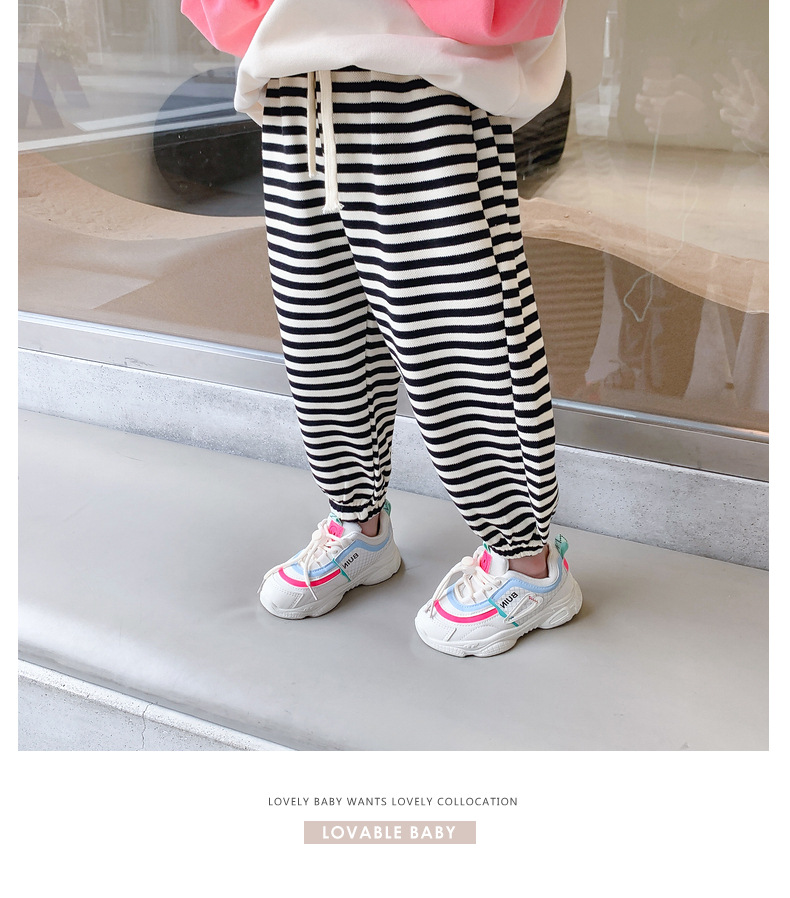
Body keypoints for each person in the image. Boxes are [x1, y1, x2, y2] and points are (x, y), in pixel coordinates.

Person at [181, 0, 583, 657]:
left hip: (426, 85)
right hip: (295, 91)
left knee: (461, 333)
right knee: (321, 337)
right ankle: (359, 528)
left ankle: (529, 565)